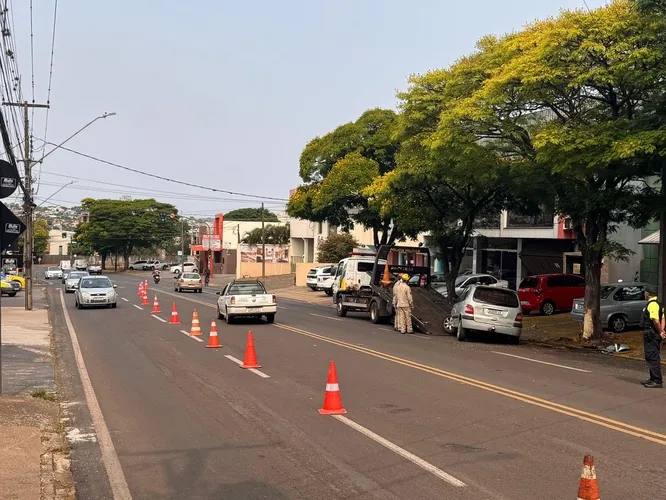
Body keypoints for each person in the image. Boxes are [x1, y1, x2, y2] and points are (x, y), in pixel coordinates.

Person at [642, 285, 665, 388]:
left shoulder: (652, 305)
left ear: (648, 293)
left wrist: (660, 331)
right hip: (654, 333)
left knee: (652, 356)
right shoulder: (659, 304)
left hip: (651, 334)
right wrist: (662, 331)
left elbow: (656, 320)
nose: (644, 293)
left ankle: (657, 380)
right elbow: (663, 318)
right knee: (651, 355)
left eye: (645, 292)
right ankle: (652, 378)